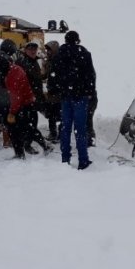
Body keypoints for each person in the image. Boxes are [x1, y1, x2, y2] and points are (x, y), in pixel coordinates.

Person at [52, 30, 96, 169]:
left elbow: (53, 74)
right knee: (80, 129)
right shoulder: (84, 53)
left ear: (65, 40)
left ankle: (65, 158)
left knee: (65, 128)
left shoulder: (59, 54)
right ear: (77, 40)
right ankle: (83, 160)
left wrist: (57, 90)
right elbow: (90, 75)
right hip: (80, 96)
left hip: (66, 96)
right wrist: (89, 91)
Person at [16, 41, 53, 154]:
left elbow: (36, 80)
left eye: (34, 49)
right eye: (30, 49)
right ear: (25, 50)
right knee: (30, 125)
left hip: (33, 98)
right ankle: (44, 145)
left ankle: (27, 145)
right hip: (26, 99)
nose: (33, 51)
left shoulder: (34, 62)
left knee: (31, 123)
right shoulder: (22, 62)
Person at [5, 62, 40, 159]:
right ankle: (44, 146)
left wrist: (12, 112)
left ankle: (19, 153)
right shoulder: (16, 68)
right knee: (30, 128)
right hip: (28, 101)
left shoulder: (12, 75)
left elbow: (16, 97)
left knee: (14, 129)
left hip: (24, 104)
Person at [42, 40, 61, 143]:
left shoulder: (59, 60)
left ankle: (57, 134)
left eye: (49, 49)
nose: (47, 51)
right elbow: (46, 75)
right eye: (47, 49)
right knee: (52, 114)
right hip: (52, 91)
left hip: (58, 92)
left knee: (56, 114)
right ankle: (53, 133)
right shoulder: (49, 61)